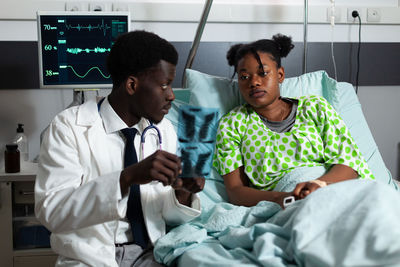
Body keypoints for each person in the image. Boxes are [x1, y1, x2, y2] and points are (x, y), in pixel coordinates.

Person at [35, 30, 205, 267]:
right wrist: (127, 178)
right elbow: (52, 212)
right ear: (132, 85)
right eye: (164, 85)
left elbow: (163, 215)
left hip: (150, 254)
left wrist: (183, 192)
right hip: (89, 258)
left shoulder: (163, 130)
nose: (172, 95)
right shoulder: (68, 127)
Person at [213, 34, 374, 208]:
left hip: (335, 189)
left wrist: (318, 186)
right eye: (244, 77)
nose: (254, 82)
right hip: (286, 202)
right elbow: (236, 191)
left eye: (263, 73)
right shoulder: (232, 125)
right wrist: (282, 198)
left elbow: (349, 163)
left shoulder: (315, 108)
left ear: (280, 75)